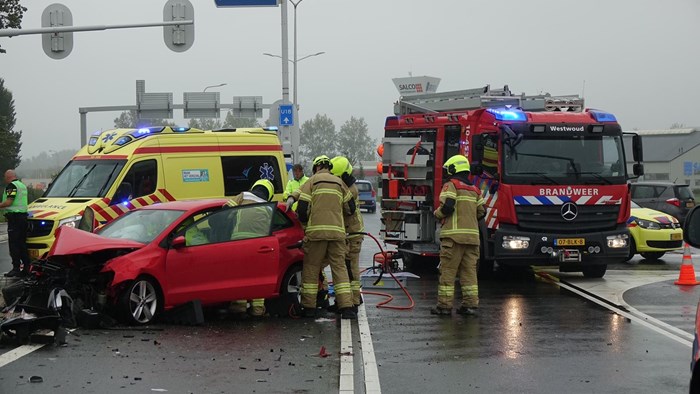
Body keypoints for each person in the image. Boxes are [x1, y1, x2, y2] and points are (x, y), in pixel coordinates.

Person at [286, 155, 357, 320]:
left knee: (311, 268)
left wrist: (304, 224)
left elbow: (302, 209)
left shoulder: (313, 181)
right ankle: (346, 307)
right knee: (339, 268)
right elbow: (351, 208)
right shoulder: (339, 182)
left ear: (316, 167)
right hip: (337, 234)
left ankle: (309, 307)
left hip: (316, 234)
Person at [431, 155, 485, 316]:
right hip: (472, 239)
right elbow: (482, 212)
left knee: (448, 272)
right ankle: (470, 306)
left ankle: (444, 307)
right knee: (469, 273)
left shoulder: (451, 185)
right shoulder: (475, 190)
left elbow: (448, 206)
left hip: (453, 239)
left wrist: (437, 214)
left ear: (454, 169)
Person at [225, 179, 275, 319]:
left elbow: (225, 210)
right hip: (259, 245)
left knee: (240, 275)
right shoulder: (269, 206)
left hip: (239, 241)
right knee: (258, 277)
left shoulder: (244, 196)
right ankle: (258, 310)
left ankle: (238, 307)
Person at [330, 156, 364, 313]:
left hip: (352, 234)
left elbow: (345, 209)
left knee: (350, 268)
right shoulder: (349, 187)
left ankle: (353, 301)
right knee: (348, 268)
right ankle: (352, 298)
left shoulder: (350, 191)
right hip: (351, 233)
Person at [0, 169, 31, 277]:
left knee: (14, 244)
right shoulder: (21, 185)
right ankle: (27, 267)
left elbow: (9, 201)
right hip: (23, 217)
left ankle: (16, 268)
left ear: (8, 176)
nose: (4, 178)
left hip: (15, 219)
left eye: (5, 176)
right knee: (22, 243)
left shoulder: (11, 186)